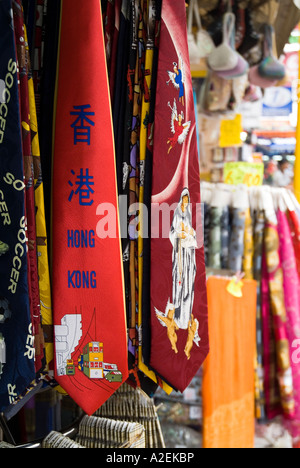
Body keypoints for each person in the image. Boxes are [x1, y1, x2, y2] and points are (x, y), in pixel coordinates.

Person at [169, 188, 198, 330]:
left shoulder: (188, 215)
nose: (186, 202)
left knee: (188, 284)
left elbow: (191, 231)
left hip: (188, 254)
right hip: (180, 253)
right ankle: (177, 315)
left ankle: (186, 317)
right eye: (184, 200)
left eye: (188, 200)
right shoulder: (177, 214)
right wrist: (181, 234)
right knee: (179, 282)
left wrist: (190, 233)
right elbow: (173, 232)